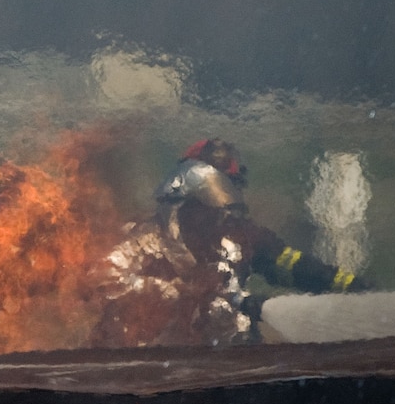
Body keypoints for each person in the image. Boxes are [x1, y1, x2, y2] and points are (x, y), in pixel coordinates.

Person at [93, 138, 356, 347]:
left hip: (229, 365)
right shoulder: (143, 241)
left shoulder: (240, 236)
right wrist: (183, 294)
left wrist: (351, 286)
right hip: (154, 368)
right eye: (203, 207)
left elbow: (292, 266)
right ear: (187, 203)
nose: (216, 217)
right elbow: (100, 282)